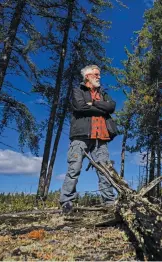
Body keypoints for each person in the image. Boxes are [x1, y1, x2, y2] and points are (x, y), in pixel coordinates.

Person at [60, 65, 116, 213]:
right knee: (74, 168)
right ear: (87, 76)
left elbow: (111, 107)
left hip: (101, 137)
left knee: (105, 170)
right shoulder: (78, 90)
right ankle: (67, 202)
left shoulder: (102, 93)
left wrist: (94, 103)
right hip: (81, 136)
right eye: (96, 74)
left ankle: (109, 203)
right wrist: (101, 108)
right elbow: (80, 107)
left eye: (99, 74)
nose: (99, 77)